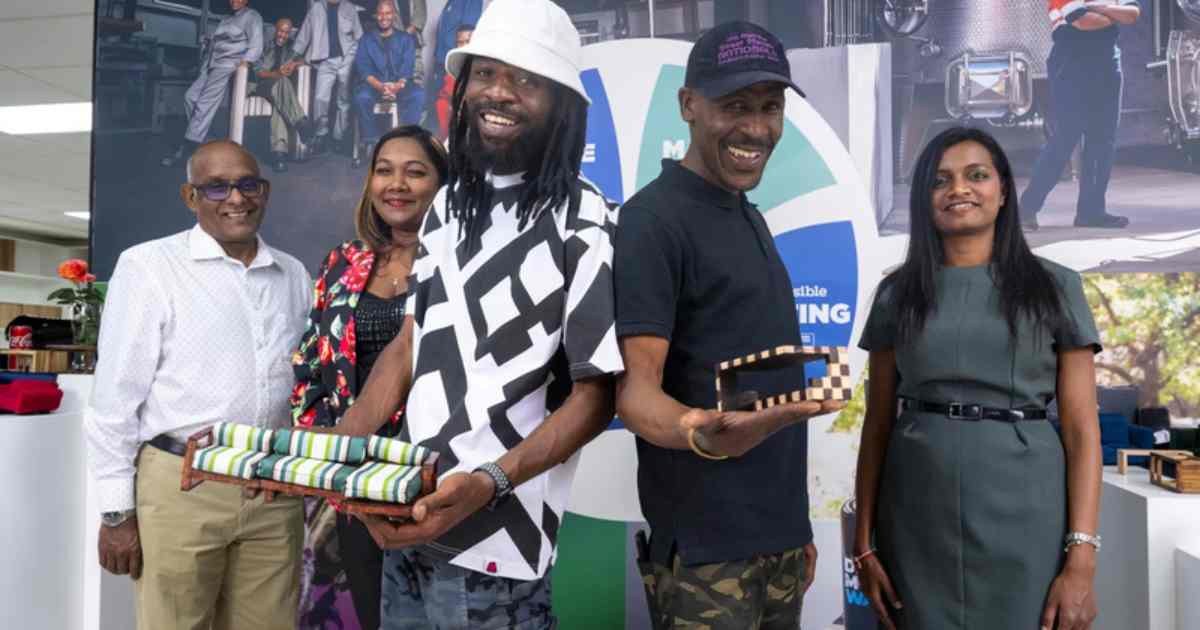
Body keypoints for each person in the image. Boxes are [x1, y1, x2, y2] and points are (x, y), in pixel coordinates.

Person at [328, 1, 622, 627]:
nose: (499, 92)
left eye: (526, 79)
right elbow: (412, 339)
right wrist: (342, 442)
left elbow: (597, 395)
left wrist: (488, 482)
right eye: (486, 73)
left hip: (501, 548)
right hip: (411, 514)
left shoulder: (585, 217)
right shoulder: (448, 205)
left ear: (561, 104)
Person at [613, 22, 840, 630]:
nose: (757, 128)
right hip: (707, 557)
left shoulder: (747, 215)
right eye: (735, 105)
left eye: (771, 107)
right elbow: (636, 393)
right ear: (689, 105)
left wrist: (794, 527)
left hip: (780, 544)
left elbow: (769, 395)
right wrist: (698, 431)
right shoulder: (651, 222)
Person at [854, 127, 1103, 630]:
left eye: (977, 175)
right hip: (916, 509)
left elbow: (1081, 429)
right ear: (924, 198)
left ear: (1004, 190)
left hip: (1027, 509)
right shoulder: (896, 294)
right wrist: (862, 545)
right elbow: (876, 424)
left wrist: (1082, 555)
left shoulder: (1056, 287)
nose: (959, 189)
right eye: (940, 180)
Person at [85, 140, 312, 630]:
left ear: (265, 192)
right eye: (217, 187)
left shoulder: (293, 274)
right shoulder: (149, 267)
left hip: (272, 490)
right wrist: (115, 514)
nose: (237, 198)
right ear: (191, 196)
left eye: (248, 184)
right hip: (182, 484)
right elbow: (114, 402)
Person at [290, 125, 448, 630]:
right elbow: (311, 366)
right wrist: (326, 460)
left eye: (415, 172)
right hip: (356, 485)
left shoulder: (460, 260)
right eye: (384, 170)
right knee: (375, 615)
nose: (396, 184)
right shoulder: (342, 262)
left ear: (442, 184)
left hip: (437, 483)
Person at [1019, 1, 1141, 230]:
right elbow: (1083, 21)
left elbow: (1132, 14)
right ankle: (1026, 210)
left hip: (1108, 63)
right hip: (1072, 64)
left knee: (1103, 141)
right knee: (1066, 138)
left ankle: (1091, 212)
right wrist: (1113, 12)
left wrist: (1098, 7)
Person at [161, 0, 262, 167]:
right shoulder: (227, 19)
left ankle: (187, 150)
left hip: (227, 65)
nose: (234, 0)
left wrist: (245, 61)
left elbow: (256, 44)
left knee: (204, 103)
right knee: (190, 97)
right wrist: (208, 44)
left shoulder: (252, 17)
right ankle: (202, 139)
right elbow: (218, 43)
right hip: (211, 64)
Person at [352, 1, 426, 167]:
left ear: (394, 15)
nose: (384, 17)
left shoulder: (405, 39)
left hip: (398, 85)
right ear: (375, 15)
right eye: (380, 13)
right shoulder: (366, 39)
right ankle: (371, 143)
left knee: (418, 94)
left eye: (388, 13)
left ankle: (405, 141)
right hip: (374, 85)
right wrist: (380, 86)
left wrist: (396, 86)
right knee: (361, 96)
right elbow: (363, 69)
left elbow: (407, 68)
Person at [292, 0, 364, 156]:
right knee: (320, 98)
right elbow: (304, 35)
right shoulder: (316, 8)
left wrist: (357, 59)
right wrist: (293, 58)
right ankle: (321, 135)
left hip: (347, 58)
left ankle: (339, 137)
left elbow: (359, 36)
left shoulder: (349, 8)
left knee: (343, 100)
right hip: (325, 59)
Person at [250, 17, 314, 173]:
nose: (282, 35)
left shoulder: (291, 48)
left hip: (279, 92)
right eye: (280, 31)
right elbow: (257, 71)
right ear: (275, 30)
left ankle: (279, 155)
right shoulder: (264, 45)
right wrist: (276, 73)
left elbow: (307, 61)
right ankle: (301, 123)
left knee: (280, 104)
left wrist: (295, 64)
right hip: (261, 85)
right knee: (282, 81)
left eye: (286, 32)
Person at [424, 0, 482, 128]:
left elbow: (468, 31)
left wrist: (458, 58)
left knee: (448, 104)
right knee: (438, 103)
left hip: (453, 60)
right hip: (441, 59)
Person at [434, 24, 473, 139]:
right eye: (460, 42)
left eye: (468, 41)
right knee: (442, 105)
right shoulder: (455, 63)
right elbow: (447, 92)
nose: (465, 46)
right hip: (453, 103)